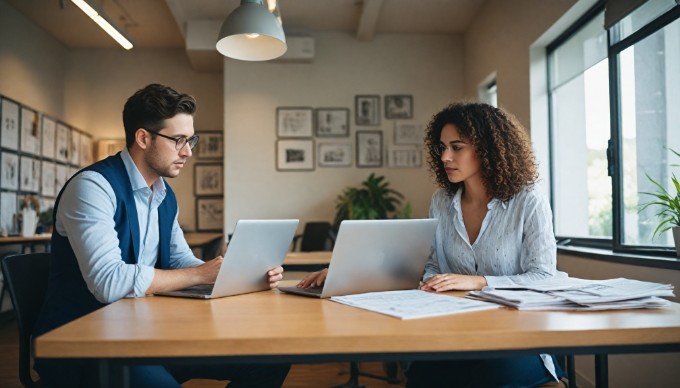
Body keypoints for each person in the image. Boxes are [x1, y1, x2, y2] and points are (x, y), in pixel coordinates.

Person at [33, 84, 290, 388]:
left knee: (273, 356)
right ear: (143, 138)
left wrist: (235, 274)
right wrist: (199, 274)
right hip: (87, 344)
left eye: (190, 139)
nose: (188, 151)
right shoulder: (93, 187)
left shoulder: (163, 195)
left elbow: (181, 260)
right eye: (179, 140)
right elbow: (108, 282)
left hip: (144, 333)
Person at [298, 102, 566, 387]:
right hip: (450, 331)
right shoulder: (441, 201)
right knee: (421, 375)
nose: (445, 156)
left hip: (511, 335)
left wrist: (477, 282)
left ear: (488, 149)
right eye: (442, 147)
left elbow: (543, 277)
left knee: (487, 374)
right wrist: (347, 272)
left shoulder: (528, 200)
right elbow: (430, 267)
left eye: (457, 147)